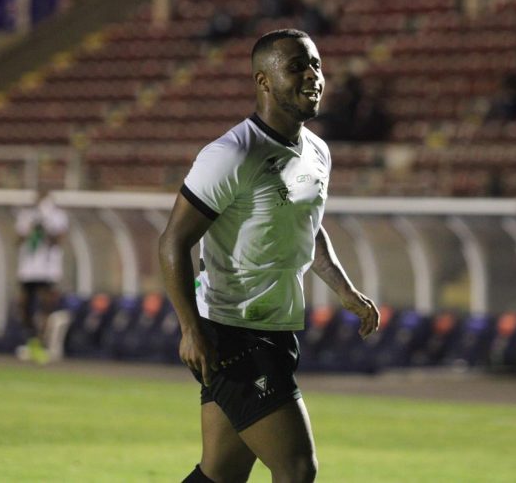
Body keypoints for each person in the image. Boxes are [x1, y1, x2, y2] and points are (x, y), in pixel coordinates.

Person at [159, 29, 380, 483]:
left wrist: (345, 289)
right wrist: (190, 328)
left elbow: (307, 228)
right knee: (297, 468)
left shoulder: (317, 151)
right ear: (263, 81)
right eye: (296, 66)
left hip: (277, 329)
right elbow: (173, 242)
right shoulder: (232, 154)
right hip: (230, 332)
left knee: (222, 473)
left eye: (316, 64)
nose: (313, 76)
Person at [15, 190, 69, 364]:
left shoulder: (58, 216)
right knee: (23, 305)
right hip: (28, 268)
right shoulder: (26, 215)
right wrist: (30, 228)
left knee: (46, 305)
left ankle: (43, 343)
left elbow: (58, 241)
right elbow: (17, 241)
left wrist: (45, 227)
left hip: (48, 268)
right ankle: (32, 339)